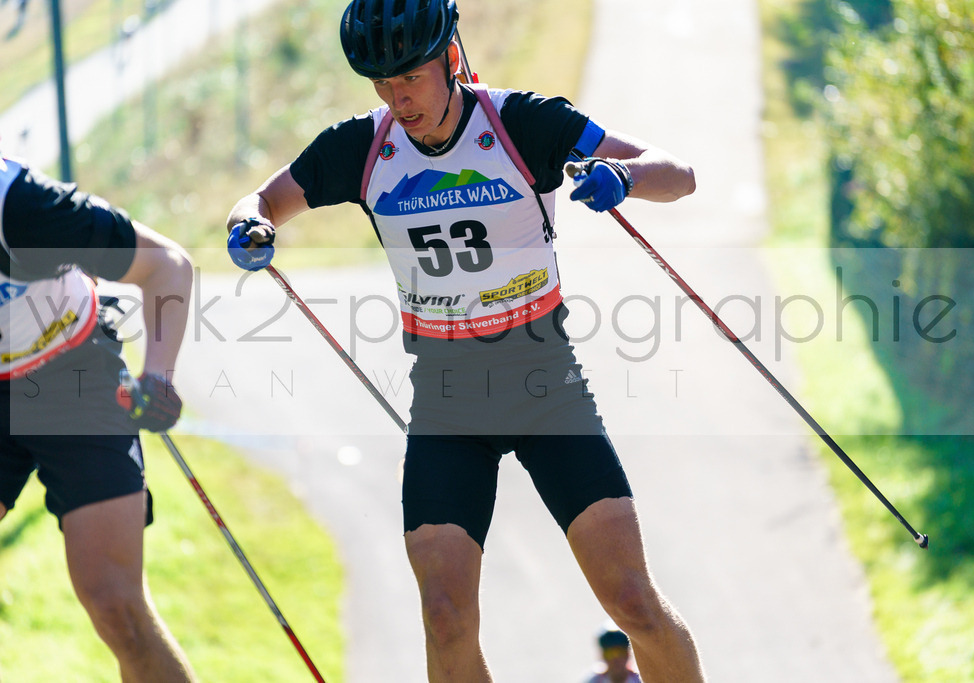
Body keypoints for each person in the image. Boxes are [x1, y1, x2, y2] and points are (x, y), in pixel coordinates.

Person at [225, 0, 705, 680]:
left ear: (451, 58)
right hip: (447, 405)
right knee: (446, 617)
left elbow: (677, 174)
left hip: (546, 392)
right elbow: (258, 201)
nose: (398, 98)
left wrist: (622, 176)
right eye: (382, 83)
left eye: (411, 78)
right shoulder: (361, 147)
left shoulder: (521, 124)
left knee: (633, 601)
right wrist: (252, 227)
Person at [0, 151, 197, 682]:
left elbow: (166, 265)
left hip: (72, 374)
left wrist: (157, 376)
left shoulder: (23, 208)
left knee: (116, 607)